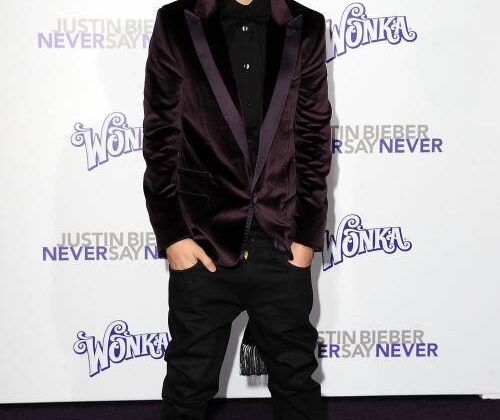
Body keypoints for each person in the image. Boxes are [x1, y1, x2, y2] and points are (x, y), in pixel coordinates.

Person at [142, 0, 332, 418]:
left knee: (297, 384)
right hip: (202, 245)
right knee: (188, 387)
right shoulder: (175, 22)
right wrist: (173, 236)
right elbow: (160, 139)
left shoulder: (307, 26)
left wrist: (305, 238)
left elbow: (313, 139)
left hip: (281, 243)